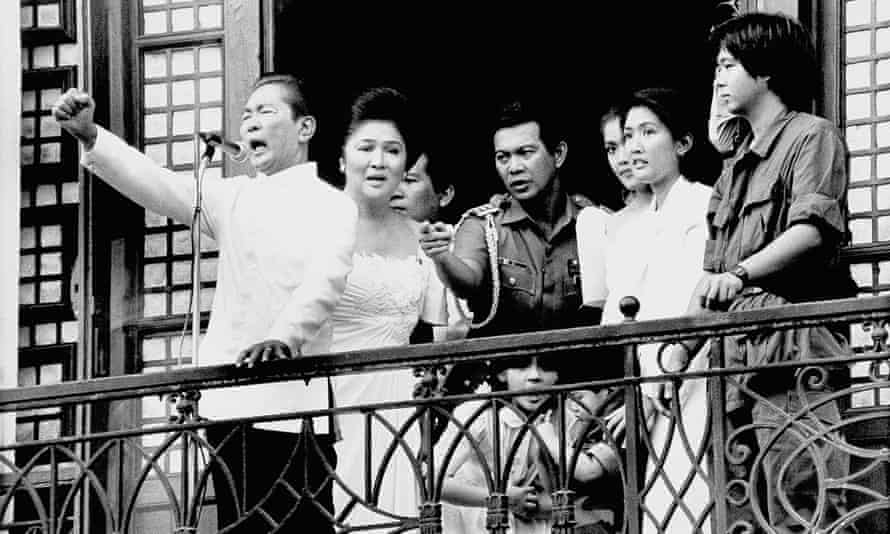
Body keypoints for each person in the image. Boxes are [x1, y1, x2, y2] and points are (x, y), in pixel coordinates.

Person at [52, 74, 357, 532]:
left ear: (305, 128)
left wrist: (283, 336)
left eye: (266, 112)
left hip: (297, 403)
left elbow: (325, 281)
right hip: (232, 404)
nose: (251, 122)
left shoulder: (334, 205)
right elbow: (156, 184)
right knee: (241, 524)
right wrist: (92, 136)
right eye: (246, 114)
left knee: (304, 524)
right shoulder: (231, 198)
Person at [664, 13, 858, 532]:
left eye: (728, 65)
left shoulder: (811, 136)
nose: (718, 79)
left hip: (796, 353)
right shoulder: (733, 169)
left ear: (766, 71)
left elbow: (812, 231)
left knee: (804, 502)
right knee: (741, 515)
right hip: (735, 363)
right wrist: (679, 352)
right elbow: (712, 277)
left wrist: (743, 274)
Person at [579, 90, 714, 533]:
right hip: (648, 382)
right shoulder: (627, 226)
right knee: (658, 504)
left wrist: (665, 377)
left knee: (694, 495)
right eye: (629, 134)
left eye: (649, 132)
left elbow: (696, 296)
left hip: (694, 370)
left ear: (683, 144)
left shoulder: (702, 204)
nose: (633, 146)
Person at [326, 87, 447, 529]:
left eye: (393, 151)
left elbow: (441, 331)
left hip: (402, 403)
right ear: (342, 158)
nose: (379, 161)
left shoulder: (421, 235)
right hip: (332, 403)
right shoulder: (317, 228)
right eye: (366, 148)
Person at [419, 96, 602, 343]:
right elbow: (468, 280)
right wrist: (442, 257)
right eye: (503, 157)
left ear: (558, 154)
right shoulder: (483, 226)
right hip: (506, 377)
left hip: (581, 376)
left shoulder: (594, 224)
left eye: (525, 153)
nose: (513, 167)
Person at [435, 355, 560, 533]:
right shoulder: (477, 414)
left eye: (546, 366)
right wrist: (502, 499)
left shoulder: (564, 417)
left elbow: (575, 497)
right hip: (474, 520)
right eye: (521, 366)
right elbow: (434, 483)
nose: (534, 376)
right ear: (502, 374)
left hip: (531, 523)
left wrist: (538, 505)